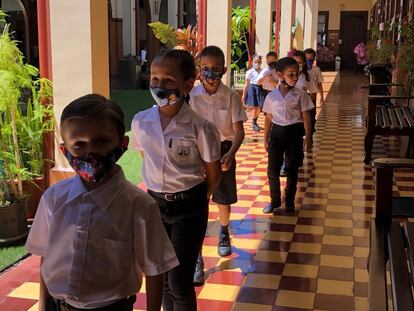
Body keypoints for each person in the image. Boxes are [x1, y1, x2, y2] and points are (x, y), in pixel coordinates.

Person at [25, 94, 178, 311]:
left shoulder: (139, 206)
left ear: (122, 143)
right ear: (65, 150)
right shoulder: (53, 199)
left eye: (102, 141)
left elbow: (155, 269)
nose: (91, 152)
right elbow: (46, 258)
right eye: (79, 144)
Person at [131, 49, 222, 311]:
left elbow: (213, 175)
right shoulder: (141, 122)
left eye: (168, 80)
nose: (159, 86)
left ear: (187, 85)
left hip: (189, 207)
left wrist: (195, 200)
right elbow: (145, 157)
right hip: (154, 206)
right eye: (155, 79)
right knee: (161, 276)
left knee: (179, 280)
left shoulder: (201, 127)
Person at [189, 45, 247, 285]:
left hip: (223, 150)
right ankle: (196, 257)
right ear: (199, 71)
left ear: (224, 70)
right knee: (196, 203)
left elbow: (239, 131)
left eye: (215, 70)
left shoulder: (231, 96)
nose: (210, 75)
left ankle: (224, 232)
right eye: (205, 70)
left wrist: (231, 154)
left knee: (222, 198)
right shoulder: (190, 97)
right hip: (198, 152)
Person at [262, 57, 314, 214]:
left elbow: (306, 116)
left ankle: (290, 201)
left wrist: (309, 137)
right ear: (279, 74)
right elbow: (268, 118)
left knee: (291, 169)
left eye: (296, 74)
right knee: (272, 170)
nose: (295, 78)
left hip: (294, 135)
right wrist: (265, 138)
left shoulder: (300, 95)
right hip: (276, 135)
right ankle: (275, 201)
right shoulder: (272, 96)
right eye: (290, 74)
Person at [242, 54, 264, 131]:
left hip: (260, 89)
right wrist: (244, 94)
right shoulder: (250, 72)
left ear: (261, 62)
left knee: (259, 107)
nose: (256, 63)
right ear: (252, 62)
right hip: (252, 88)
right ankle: (254, 123)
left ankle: (255, 121)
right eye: (255, 62)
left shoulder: (263, 72)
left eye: (258, 62)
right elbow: (246, 83)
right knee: (254, 106)